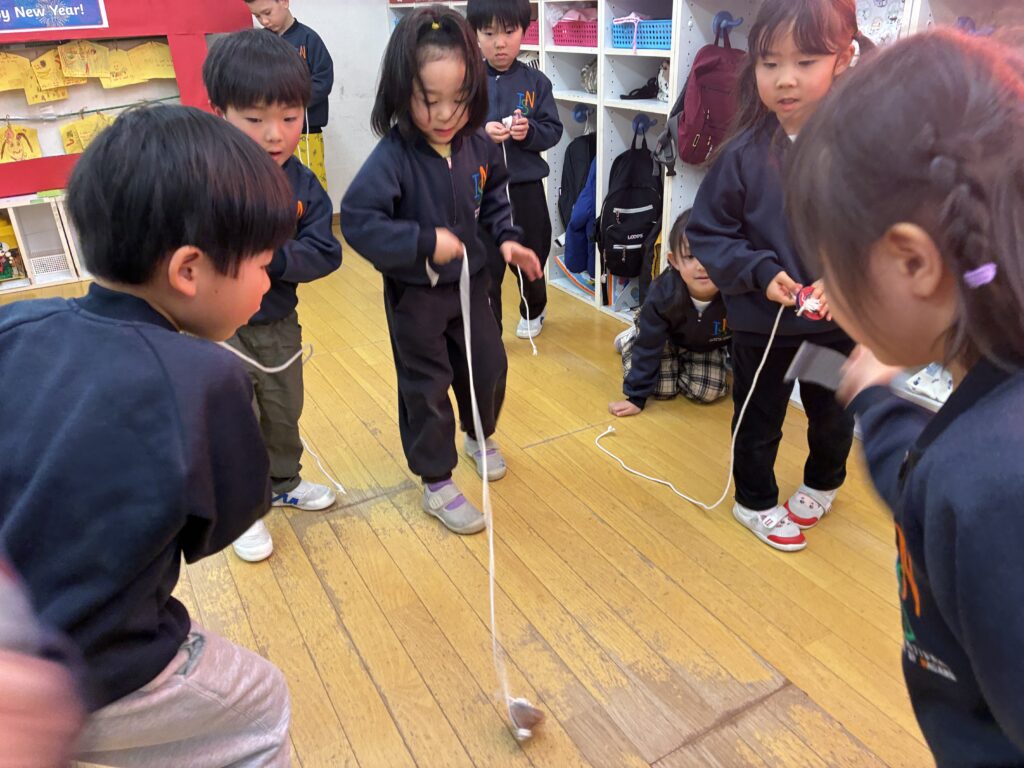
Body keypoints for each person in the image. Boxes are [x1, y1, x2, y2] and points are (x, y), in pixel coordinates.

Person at [0, 105, 293, 765]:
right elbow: (217, 527)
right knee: (261, 704)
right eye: (263, 263)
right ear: (190, 271)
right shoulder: (207, 377)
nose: (269, 279)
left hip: (11, 645)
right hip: (98, 666)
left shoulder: (16, 327)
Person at [786, 28, 1024, 767]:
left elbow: (953, 492)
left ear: (912, 261)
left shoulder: (995, 490)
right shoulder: (983, 423)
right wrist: (875, 400)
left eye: (832, 267)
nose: (828, 295)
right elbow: (930, 487)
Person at [341, 7, 541, 535]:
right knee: (426, 386)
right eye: (430, 101)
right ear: (401, 93)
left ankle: (478, 433)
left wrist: (508, 239)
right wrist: (424, 242)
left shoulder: (479, 143)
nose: (446, 114)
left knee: (488, 365)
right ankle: (436, 480)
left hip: (472, 287)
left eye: (460, 98)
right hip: (417, 297)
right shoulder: (393, 158)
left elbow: (495, 196)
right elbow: (359, 220)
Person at [687, 0, 866, 552]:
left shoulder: (863, 151)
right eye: (770, 63)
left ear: (843, 59)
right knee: (758, 416)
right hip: (763, 326)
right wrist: (760, 272)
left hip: (834, 326)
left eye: (805, 61)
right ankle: (754, 500)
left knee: (832, 414)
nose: (785, 79)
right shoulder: (741, 155)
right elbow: (710, 231)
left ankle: (823, 482)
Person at [204, 29, 343, 562]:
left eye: (289, 117)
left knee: (284, 410)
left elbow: (326, 251)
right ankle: (242, 507)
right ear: (220, 114)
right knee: (233, 418)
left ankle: (283, 482)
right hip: (217, 328)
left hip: (279, 323)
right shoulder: (203, 179)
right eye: (254, 119)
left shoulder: (303, 187)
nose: (274, 134)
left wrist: (274, 259)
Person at [467, 0, 562, 338]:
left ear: (524, 31)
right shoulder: (467, 82)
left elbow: (553, 130)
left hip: (526, 190)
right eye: (489, 33)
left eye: (509, 32)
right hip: (481, 192)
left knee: (532, 252)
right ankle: (489, 327)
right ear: (475, 35)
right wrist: (480, 133)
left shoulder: (536, 82)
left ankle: (534, 308)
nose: (500, 43)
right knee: (485, 264)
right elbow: (451, 131)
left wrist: (529, 131)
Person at [609, 210, 731, 417]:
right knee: (662, 390)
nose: (702, 266)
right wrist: (636, 397)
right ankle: (631, 340)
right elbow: (649, 346)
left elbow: (744, 342)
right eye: (690, 256)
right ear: (674, 261)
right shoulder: (663, 293)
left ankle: (679, 362)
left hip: (705, 343)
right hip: (663, 338)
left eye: (711, 254)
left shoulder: (736, 294)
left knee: (706, 392)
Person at [245, 0, 334, 189]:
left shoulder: (309, 39)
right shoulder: (258, 45)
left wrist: (291, 103)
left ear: (284, 2)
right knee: (277, 186)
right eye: (257, 16)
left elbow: (323, 80)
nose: (264, 21)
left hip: (306, 133)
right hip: (269, 133)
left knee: (311, 185)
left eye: (267, 12)